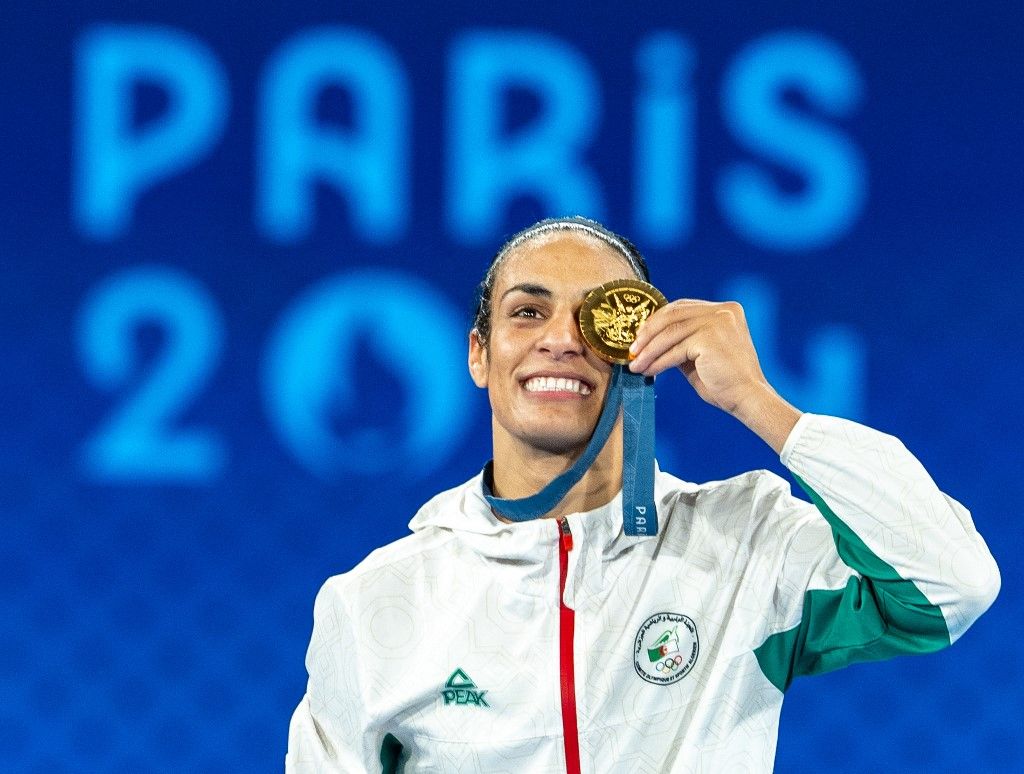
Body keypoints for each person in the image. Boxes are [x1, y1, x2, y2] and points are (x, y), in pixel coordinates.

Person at [286, 216, 1000, 773]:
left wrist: (760, 403)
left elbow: (952, 583)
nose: (562, 340)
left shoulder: (747, 544)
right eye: (528, 313)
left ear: (639, 347)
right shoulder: (377, 602)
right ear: (480, 353)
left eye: (594, 317)